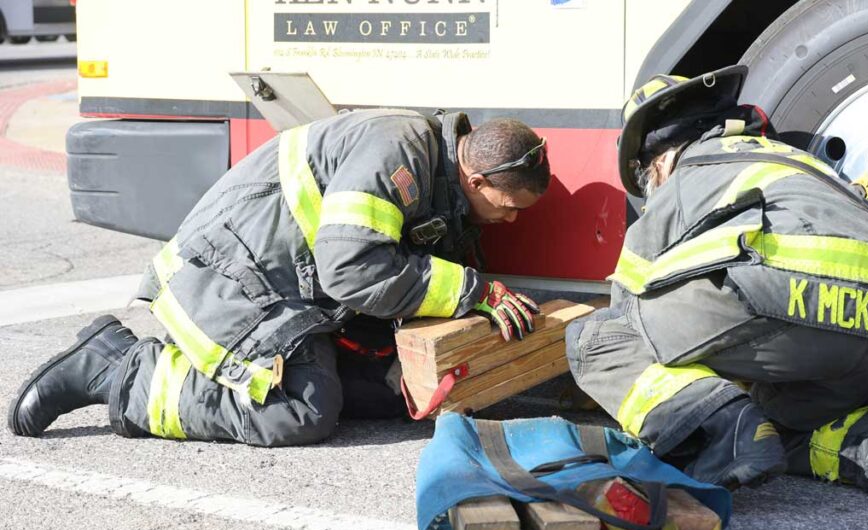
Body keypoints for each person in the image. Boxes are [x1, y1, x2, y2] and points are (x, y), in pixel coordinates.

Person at [565, 66, 868, 508]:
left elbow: (628, 310)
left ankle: (721, 432)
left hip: (794, 307)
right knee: (773, 428)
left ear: (660, 160)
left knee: (596, 337)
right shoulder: (800, 165)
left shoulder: (691, 170)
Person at [8, 109, 548, 446]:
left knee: (398, 390)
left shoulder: (438, 173)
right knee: (299, 413)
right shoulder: (399, 155)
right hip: (233, 277)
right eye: (509, 206)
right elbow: (351, 268)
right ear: (475, 178)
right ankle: (117, 369)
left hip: (294, 287)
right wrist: (473, 291)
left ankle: (310, 372)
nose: (512, 220)